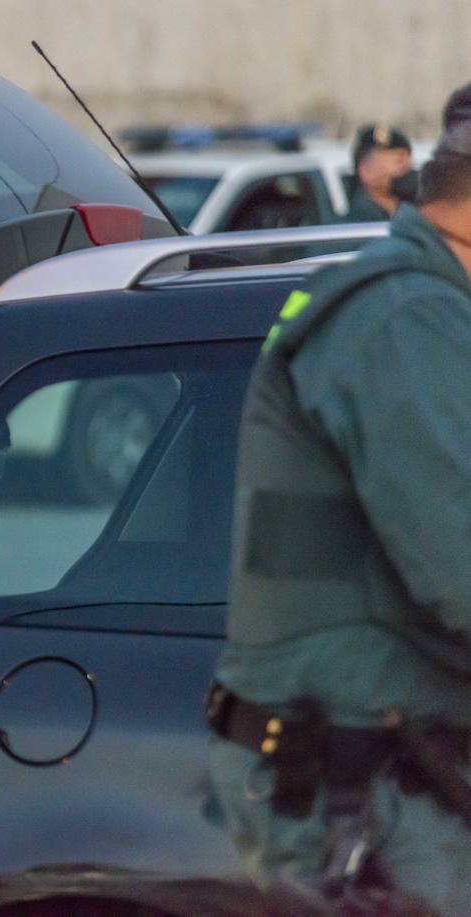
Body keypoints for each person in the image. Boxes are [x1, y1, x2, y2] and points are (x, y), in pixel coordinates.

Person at [207, 85, 471, 915]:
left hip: (384, 771)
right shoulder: (404, 317)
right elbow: (460, 564)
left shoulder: (431, 313)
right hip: (361, 796)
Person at [344, 123, 415, 221]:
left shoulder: (412, 217)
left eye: (408, 160)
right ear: (366, 171)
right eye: (399, 161)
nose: (408, 167)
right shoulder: (354, 226)